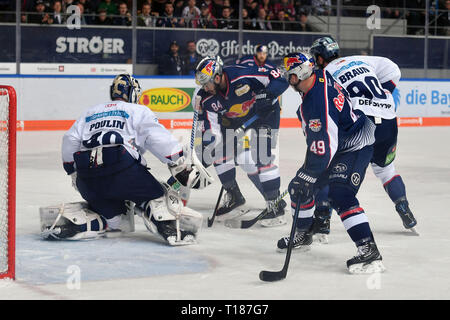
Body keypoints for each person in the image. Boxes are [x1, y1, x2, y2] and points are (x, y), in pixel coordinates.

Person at [51, 74, 202, 245]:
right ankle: (166, 224)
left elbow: (70, 140)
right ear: (133, 94)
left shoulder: (90, 112)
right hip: (123, 172)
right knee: (158, 196)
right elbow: (158, 138)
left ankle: (82, 223)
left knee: (118, 221)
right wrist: (179, 162)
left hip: (87, 178)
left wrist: (72, 172)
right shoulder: (137, 110)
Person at [280, 51, 385, 274]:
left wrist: (309, 176)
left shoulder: (316, 103)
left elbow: (325, 148)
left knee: (340, 193)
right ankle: (304, 233)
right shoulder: (318, 76)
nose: (288, 80)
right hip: (339, 142)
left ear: (300, 74)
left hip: (356, 144)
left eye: (291, 76)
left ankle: (369, 250)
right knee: (298, 189)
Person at [310, 36, 418, 232]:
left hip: (361, 124)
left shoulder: (324, 75)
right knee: (386, 170)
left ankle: (323, 220)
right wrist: (381, 97)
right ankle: (404, 208)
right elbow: (393, 69)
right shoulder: (359, 60)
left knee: (329, 170)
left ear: (319, 58)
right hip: (388, 121)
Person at [193, 56, 290, 227]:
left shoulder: (241, 75)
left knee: (262, 156)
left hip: (266, 115)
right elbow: (212, 132)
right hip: (237, 121)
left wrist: (268, 93)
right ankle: (234, 197)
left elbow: (280, 79)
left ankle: (275, 205)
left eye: (206, 83)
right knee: (219, 153)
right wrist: (208, 150)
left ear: (217, 77)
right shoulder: (206, 98)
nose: (204, 88)